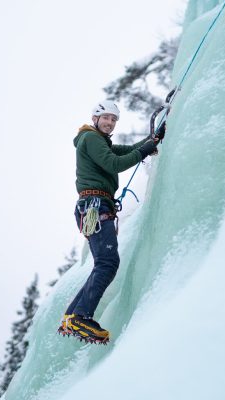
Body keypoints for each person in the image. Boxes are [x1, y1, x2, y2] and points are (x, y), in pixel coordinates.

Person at [58, 100, 164, 344]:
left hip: (94, 206)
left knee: (104, 263)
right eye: (106, 117)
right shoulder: (91, 139)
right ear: (95, 119)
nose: (110, 122)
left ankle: (71, 317)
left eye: (114, 119)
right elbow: (115, 163)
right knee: (108, 262)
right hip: (94, 205)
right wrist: (146, 150)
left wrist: (154, 140)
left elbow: (127, 150)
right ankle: (81, 316)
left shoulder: (99, 142)